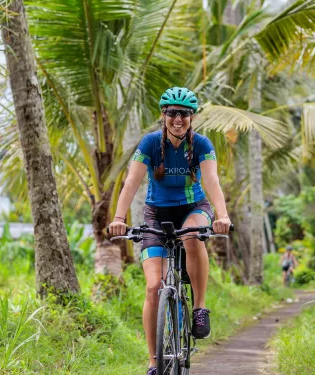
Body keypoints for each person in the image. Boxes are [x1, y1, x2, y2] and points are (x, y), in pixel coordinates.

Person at [108, 87, 231, 375]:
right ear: (163, 115)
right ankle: (154, 363)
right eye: (172, 113)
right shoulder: (150, 143)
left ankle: (199, 307)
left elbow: (211, 180)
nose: (178, 119)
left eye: (184, 114)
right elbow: (132, 182)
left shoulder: (201, 144)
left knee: (191, 235)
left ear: (192, 117)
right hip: (156, 214)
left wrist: (222, 215)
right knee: (153, 287)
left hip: (193, 208)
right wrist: (118, 216)